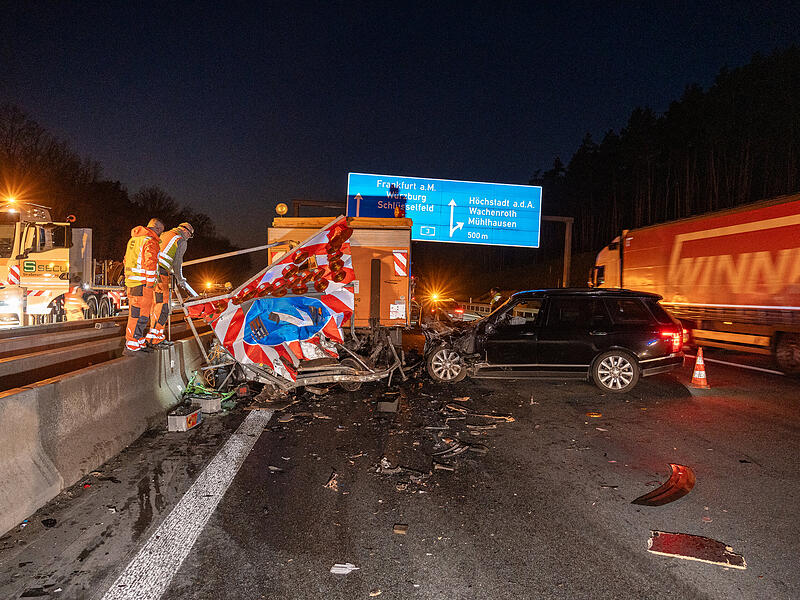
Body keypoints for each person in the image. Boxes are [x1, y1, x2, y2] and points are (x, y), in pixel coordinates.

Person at [146, 222, 197, 348]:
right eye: (190, 235)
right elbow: (178, 261)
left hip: (151, 273)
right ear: (186, 231)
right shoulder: (180, 240)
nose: (188, 238)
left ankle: (153, 337)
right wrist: (180, 279)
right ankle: (155, 339)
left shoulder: (165, 234)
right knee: (163, 307)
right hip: (161, 274)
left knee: (155, 306)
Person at [123, 218, 164, 356]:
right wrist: (151, 284)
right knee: (139, 315)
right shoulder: (149, 241)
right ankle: (132, 345)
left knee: (138, 314)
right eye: (161, 232)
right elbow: (150, 262)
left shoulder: (133, 240)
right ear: (157, 228)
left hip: (133, 282)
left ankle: (138, 341)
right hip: (143, 284)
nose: (160, 236)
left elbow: (126, 260)